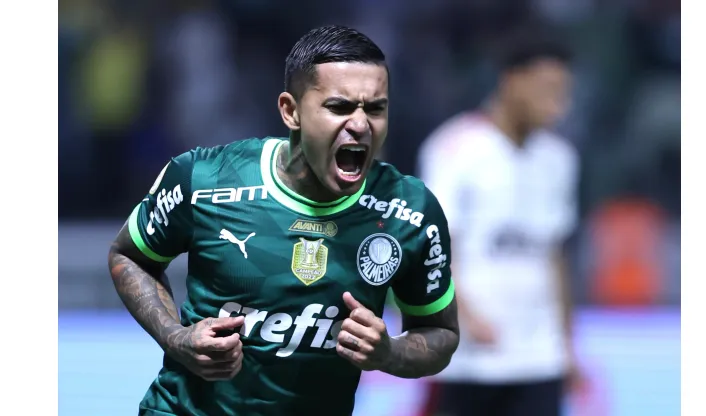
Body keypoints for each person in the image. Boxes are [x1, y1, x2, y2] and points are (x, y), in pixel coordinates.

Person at [107, 25, 459, 416]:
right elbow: (131, 256)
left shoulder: (408, 210)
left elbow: (440, 333)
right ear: (291, 111)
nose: (361, 124)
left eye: (375, 108)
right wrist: (176, 338)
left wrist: (389, 353)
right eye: (339, 107)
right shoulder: (205, 178)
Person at [418, 26, 583, 416]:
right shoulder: (455, 147)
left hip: (540, 356)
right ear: (512, 81)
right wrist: (466, 317)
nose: (559, 105)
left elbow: (554, 255)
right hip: (471, 359)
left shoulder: (559, 158)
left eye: (563, 92)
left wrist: (566, 343)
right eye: (548, 90)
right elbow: (435, 246)